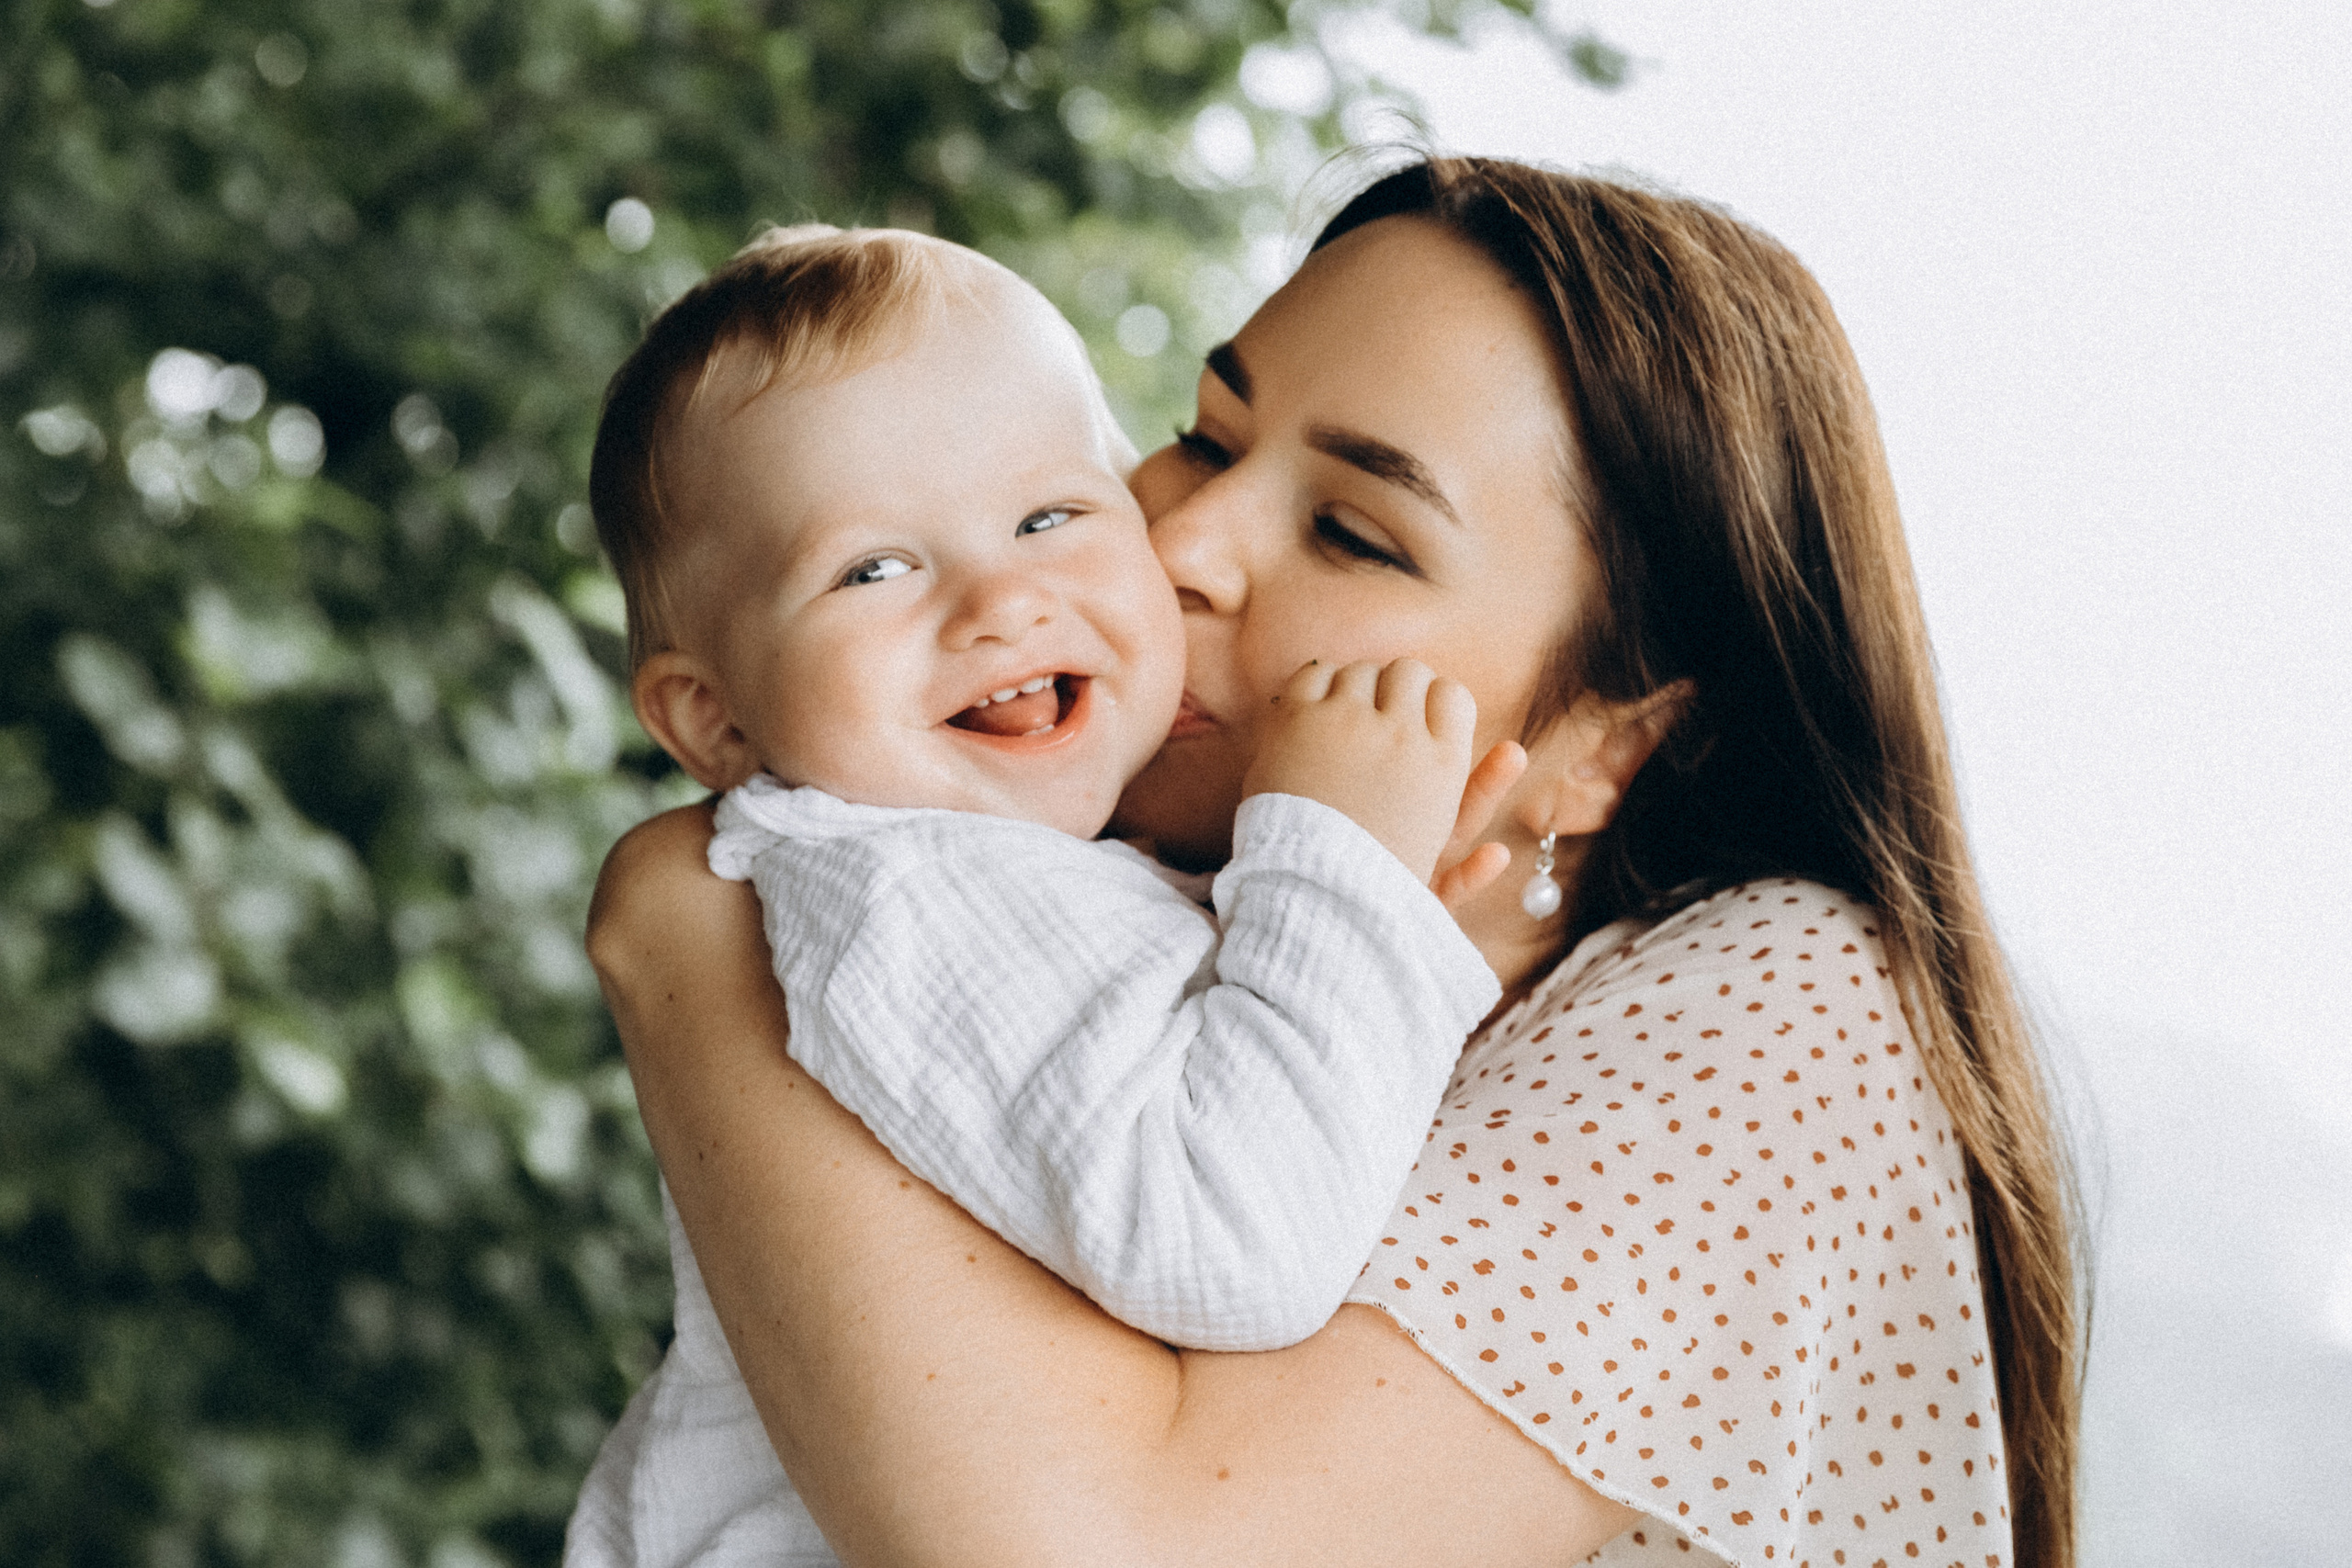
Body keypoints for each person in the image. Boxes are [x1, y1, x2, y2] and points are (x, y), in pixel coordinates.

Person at [585, 158, 2084, 1566]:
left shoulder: (1788, 1002)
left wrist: (692, 943)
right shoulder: (1013, 878)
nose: (1181, 549)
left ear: (1608, 748)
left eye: (1355, 534)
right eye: (1208, 438)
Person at [562, 224, 1534, 1567]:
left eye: (1049, 518)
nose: (1002, 601)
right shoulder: (909, 892)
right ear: (712, 720)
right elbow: (1230, 1240)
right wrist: (1341, 866)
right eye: (872, 569)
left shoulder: (1028, 867)